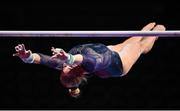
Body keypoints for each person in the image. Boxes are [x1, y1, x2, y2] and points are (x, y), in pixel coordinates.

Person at [13, 22, 166, 98]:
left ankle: (146, 31)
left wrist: (27, 57)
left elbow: (43, 60)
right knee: (138, 45)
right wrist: (69, 57)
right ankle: (160, 32)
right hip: (118, 64)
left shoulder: (64, 65)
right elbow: (86, 59)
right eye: (67, 65)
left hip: (107, 51)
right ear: (74, 69)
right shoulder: (93, 63)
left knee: (132, 39)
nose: (63, 65)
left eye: (64, 65)